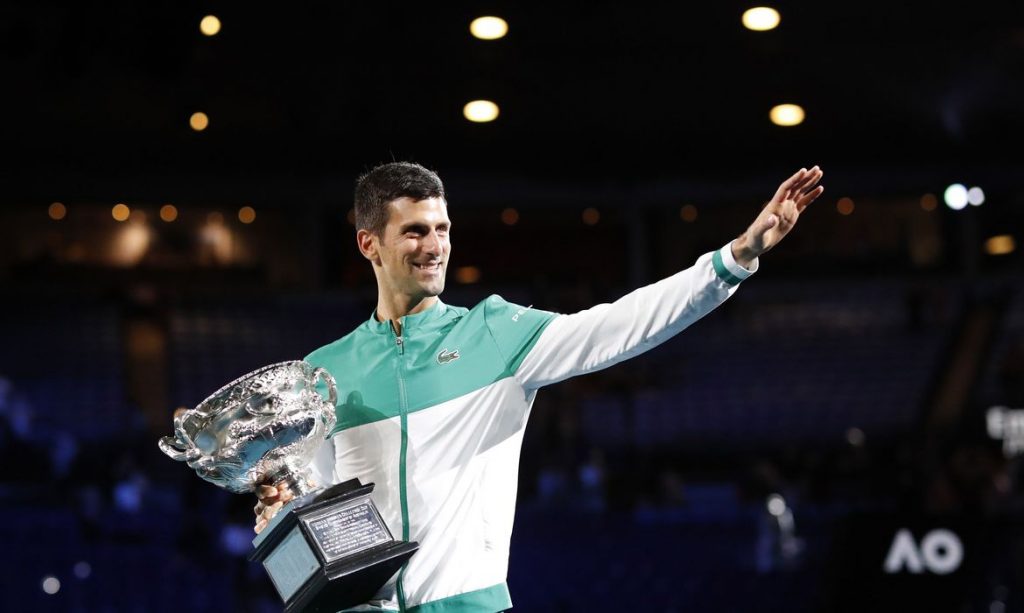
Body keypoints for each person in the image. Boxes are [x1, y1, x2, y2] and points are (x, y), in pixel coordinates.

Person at [254, 161, 824, 612]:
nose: (435, 246)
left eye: (442, 229)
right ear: (369, 244)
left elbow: (619, 326)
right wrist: (284, 514)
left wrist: (734, 258)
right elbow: (320, 503)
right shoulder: (324, 371)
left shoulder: (493, 333)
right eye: (415, 232)